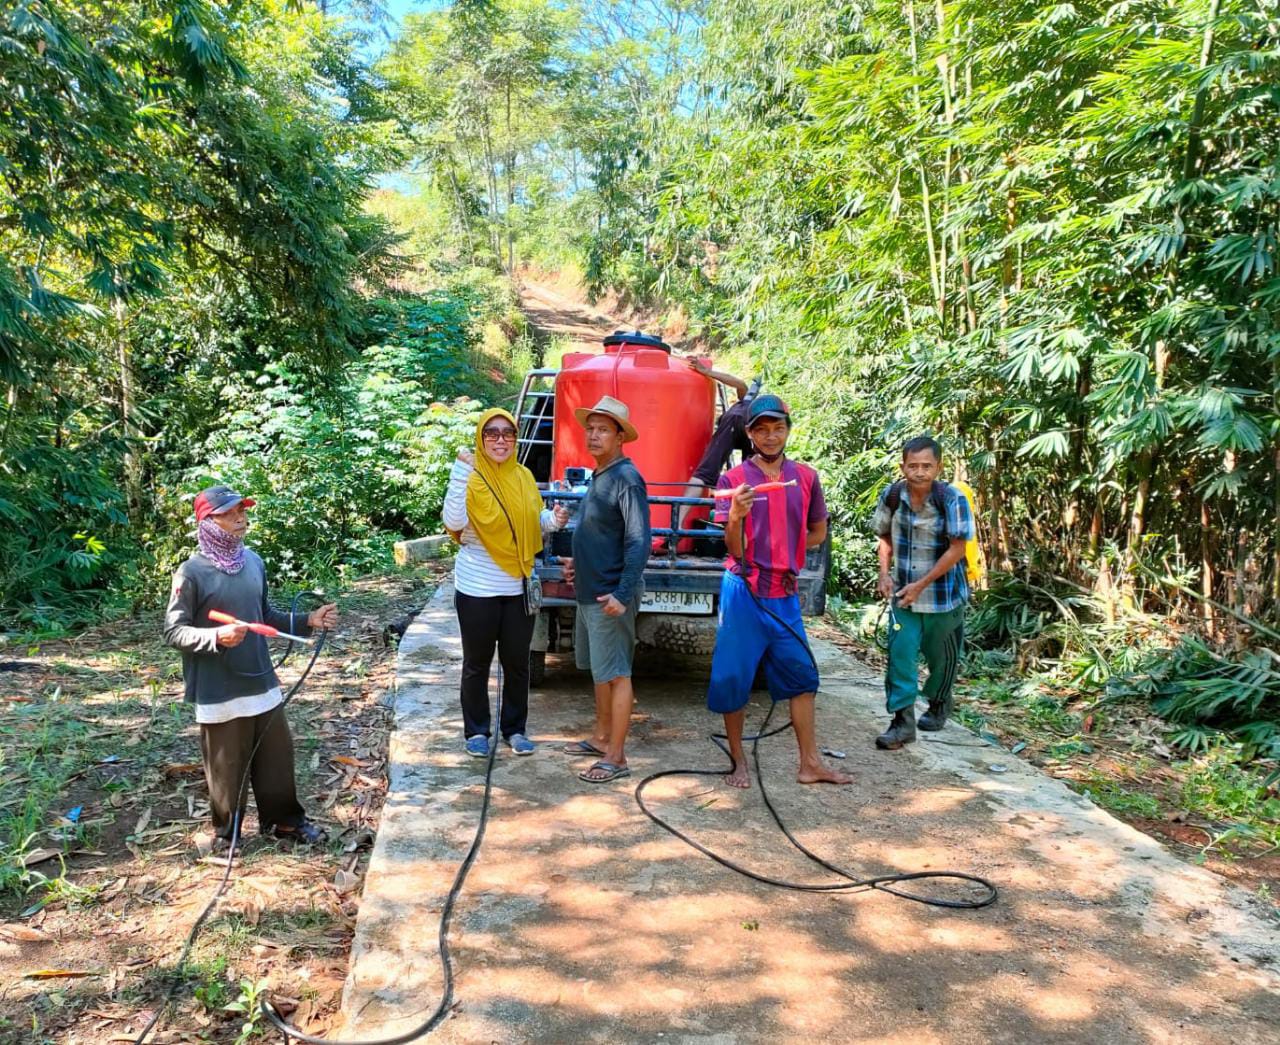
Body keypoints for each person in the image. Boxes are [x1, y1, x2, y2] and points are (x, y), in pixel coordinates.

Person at [163, 484, 337, 850]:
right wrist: (214, 638)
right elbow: (173, 630)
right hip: (218, 686)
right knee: (226, 769)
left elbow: (266, 616)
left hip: (261, 680)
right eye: (229, 513)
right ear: (208, 521)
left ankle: (284, 822)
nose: (241, 518)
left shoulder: (253, 562)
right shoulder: (191, 572)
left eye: (242, 510)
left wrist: (309, 620)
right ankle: (228, 835)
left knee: (278, 756)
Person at [706, 394, 851, 789]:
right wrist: (736, 515)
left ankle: (810, 763)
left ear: (787, 430)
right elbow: (733, 548)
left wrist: (792, 547)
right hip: (744, 592)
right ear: (750, 434)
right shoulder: (732, 481)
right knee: (733, 677)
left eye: (778, 428)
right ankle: (738, 762)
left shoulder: (805, 477)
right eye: (761, 429)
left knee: (802, 676)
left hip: (783, 593)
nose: (771, 437)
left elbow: (818, 530)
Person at [444, 408, 569, 757]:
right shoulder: (470, 475)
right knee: (476, 663)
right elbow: (453, 519)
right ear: (481, 438)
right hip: (477, 589)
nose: (500, 440)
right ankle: (477, 732)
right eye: (492, 433)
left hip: (517, 587)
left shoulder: (524, 476)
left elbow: (531, 520)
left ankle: (515, 729)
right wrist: (460, 472)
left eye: (508, 433)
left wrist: (553, 520)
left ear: (515, 438)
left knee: (517, 663)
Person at [558, 395, 651, 783]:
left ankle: (616, 756)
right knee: (599, 670)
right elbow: (603, 533)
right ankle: (600, 738)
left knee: (617, 673)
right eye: (590, 429)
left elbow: (638, 541)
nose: (594, 436)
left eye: (603, 430)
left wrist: (622, 592)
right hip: (590, 589)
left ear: (620, 437)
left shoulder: (626, 478)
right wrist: (578, 562)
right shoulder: (602, 475)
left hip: (610, 594)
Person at [871, 435, 973, 750]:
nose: (919, 472)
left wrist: (921, 584)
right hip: (904, 596)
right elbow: (884, 537)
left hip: (943, 598)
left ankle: (940, 700)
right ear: (903, 466)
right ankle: (902, 723)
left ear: (938, 467)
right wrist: (884, 574)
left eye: (926, 466)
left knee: (941, 658)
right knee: (900, 656)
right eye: (912, 465)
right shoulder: (891, 495)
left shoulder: (952, 499)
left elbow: (957, 550)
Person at [670, 359, 757, 542]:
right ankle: (748, 533)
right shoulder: (760, 412)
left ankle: (676, 526)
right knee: (754, 479)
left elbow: (739, 383)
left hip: (735, 422)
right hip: (755, 429)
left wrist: (706, 372)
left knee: (704, 473)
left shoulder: (744, 402)